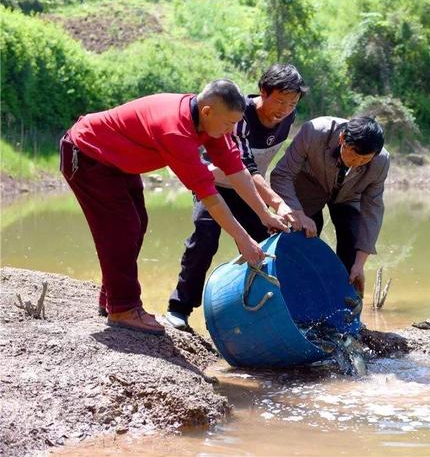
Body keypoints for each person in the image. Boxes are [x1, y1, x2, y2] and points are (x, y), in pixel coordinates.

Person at [60, 79, 288, 335]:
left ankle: (112, 296)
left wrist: (265, 214)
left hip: (117, 162)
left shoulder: (209, 123)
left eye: (235, 123)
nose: (232, 130)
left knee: (136, 225)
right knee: (122, 229)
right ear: (207, 111)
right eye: (229, 123)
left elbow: (237, 170)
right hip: (88, 154)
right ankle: (123, 308)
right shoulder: (175, 131)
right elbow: (210, 197)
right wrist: (244, 240)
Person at [166, 64, 307, 330]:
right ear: (263, 92)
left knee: (272, 244)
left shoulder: (287, 117)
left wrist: (270, 208)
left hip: (249, 193)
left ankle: (277, 311)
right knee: (204, 240)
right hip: (215, 185)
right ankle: (179, 309)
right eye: (280, 101)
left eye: (292, 103)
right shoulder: (239, 115)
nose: (285, 110)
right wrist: (276, 203)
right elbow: (245, 167)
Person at [270, 116, 388, 297]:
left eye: (364, 160)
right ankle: (298, 298)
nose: (356, 163)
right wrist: (298, 214)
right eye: (353, 156)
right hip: (308, 189)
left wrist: (360, 263)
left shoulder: (381, 161)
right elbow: (282, 175)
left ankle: (344, 305)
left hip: (349, 196)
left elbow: (373, 209)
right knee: (303, 240)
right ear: (342, 139)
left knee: (351, 244)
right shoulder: (314, 131)